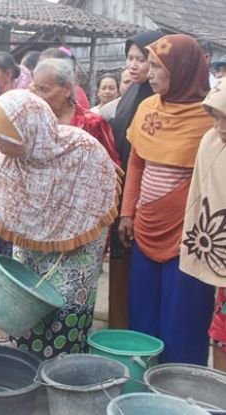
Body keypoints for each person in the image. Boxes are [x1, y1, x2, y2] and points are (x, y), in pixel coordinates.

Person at [0, 90, 119, 359]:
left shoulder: (83, 151)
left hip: (76, 254)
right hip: (31, 249)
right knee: (24, 313)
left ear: (28, 131)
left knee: (64, 316)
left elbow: (99, 199)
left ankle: (62, 376)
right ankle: (26, 369)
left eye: (1, 135)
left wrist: (73, 237)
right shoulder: (8, 163)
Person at [118, 34, 215, 365]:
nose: (150, 72)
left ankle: (180, 387)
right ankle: (142, 381)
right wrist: (127, 212)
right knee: (143, 308)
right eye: (151, 65)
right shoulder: (146, 108)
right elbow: (136, 161)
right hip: (145, 226)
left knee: (183, 314)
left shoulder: (211, 118)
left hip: (189, 233)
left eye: (159, 66)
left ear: (183, 70)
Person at [106, 30, 164, 329]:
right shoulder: (130, 94)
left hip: (147, 192)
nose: (134, 66)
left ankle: (135, 331)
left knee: (138, 269)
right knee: (119, 264)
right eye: (130, 58)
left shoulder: (159, 98)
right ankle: (118, 328)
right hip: (122, 186)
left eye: (143, 59)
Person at [179, 79, 226, 371]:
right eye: (216, 116)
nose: (220, 126)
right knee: (221, 335)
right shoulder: (211, 142)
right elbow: (200, 195)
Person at [31, 58, 120, 165]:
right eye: (36, 90)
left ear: (67, 89)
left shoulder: (92, 124)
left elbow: (111, 168)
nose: (38, 96)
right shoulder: (34, 122)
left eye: (44, 90)